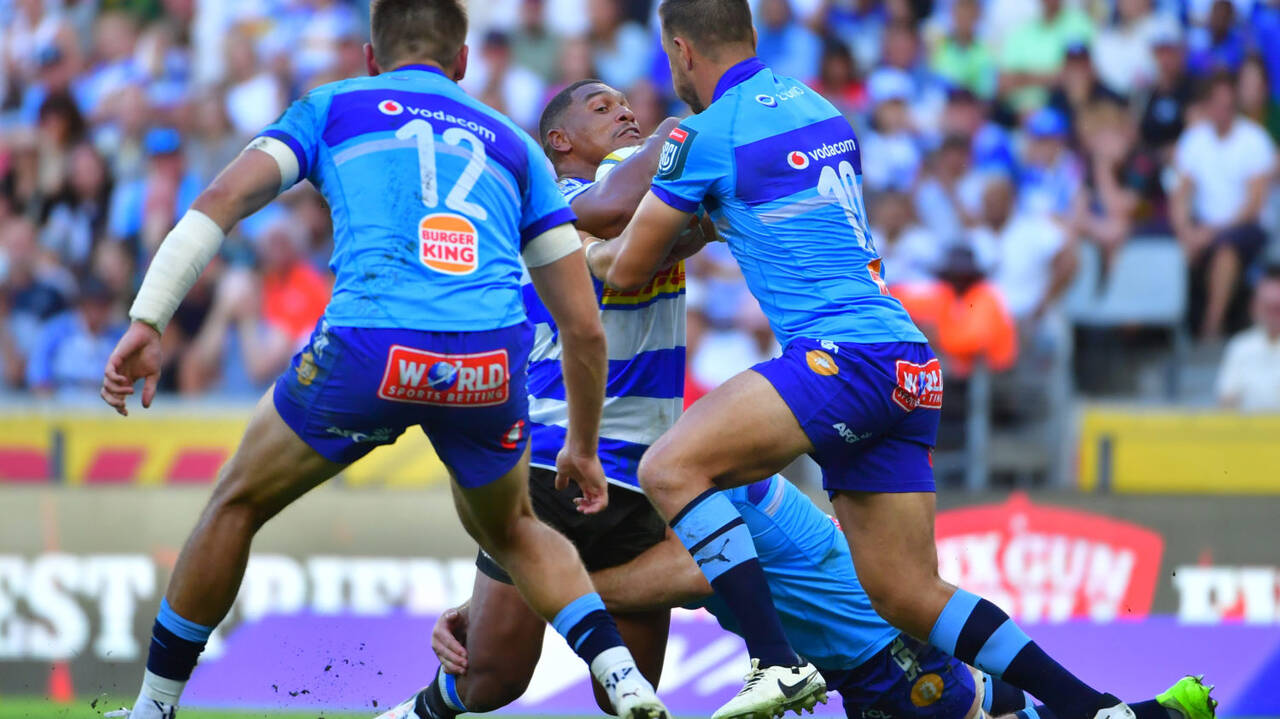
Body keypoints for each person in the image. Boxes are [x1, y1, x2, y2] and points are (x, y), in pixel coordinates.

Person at [590, 3, 1210, 719]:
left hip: (841, 359)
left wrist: (568, 242)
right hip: (908, 360)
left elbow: (627, 268)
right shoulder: (819, 109)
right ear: (752, 37)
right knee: (908, 594)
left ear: (680, 50)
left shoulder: (704, 134)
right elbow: (746, 216)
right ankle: (1099, 709)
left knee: (668, 467)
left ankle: (775, 662)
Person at [97, 3, 667, 719]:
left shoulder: (333, 105)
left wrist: (149, 317)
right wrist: (580, 446)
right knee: (518, 529)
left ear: (372, 58)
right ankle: (624, 678)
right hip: (486, 361)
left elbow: (221, 199)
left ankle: (153, 709)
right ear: (462, 63)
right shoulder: (515, 143)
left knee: (236, 502)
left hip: (370, 344)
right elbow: (582, 327)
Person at [377, 78, 694, 719]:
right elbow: (615, 208)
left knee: (629, 698)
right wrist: (677, 132)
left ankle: (556, 591)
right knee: (492, 683)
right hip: (552, 460)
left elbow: (698, 220)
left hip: (644, 471)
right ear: (560, 140)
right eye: (603, 108)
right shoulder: (558, 206)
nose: (627, 113)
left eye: (627, 106)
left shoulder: (652, 201)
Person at [433, 475, 1044, 719]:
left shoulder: (674, 484)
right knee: (1004, 704)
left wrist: (543, 596)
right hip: (858, 660)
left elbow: (694, 574)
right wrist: (496, 600)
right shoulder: (672, 469)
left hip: (884, 659)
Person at [1170, 72, 1277, 340]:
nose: (1222, 111)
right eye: (1217, 104)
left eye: (1227, 105)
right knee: (1168, 247)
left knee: (1225, 250)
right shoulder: (1194, 139)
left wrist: (1210, 233)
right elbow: (1181, 194)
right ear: (1207, 105)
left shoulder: (1254, 139)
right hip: (1204, 227)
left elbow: (1253, 205)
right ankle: (1167, 330)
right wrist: (1184, 231)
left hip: (1246, 227)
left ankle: (1211, 327)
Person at [1217, 263, 1280, 412]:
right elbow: (1226, 400)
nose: (1273, 316)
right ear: (1255, 306)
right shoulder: (1240, 346)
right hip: (1246, 425)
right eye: (1268, 308)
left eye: (1278, 308)